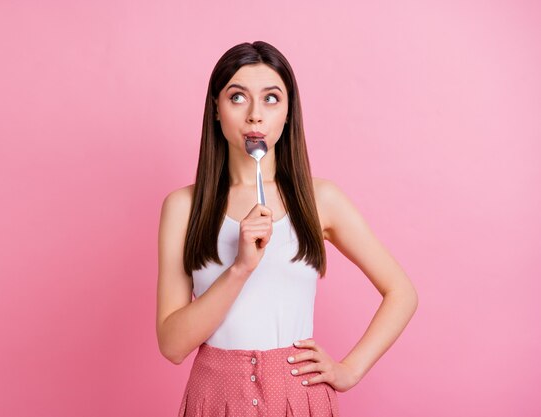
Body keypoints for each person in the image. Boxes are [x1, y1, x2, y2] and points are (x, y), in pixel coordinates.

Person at [156, 41, 418, 416]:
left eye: (271, 99)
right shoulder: (183, 207)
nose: (255, 116)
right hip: (214, 398)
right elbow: (172, 345)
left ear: (288, 112)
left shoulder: (320, 200)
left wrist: (350, 370)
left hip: (299, 396)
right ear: (216, 109)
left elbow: (401, 292)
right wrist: (240, 269)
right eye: (237, 97)